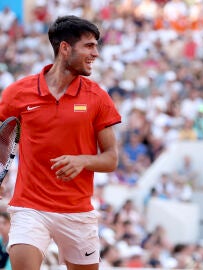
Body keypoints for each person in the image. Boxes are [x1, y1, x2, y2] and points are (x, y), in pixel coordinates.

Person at [0, 15, 121, 270]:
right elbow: (3, 136)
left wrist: (83, 160)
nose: (95, 53)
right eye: (89, 46)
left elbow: (111, 159)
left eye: (96, 46)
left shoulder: (98, 97)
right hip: (29, 207)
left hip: (77, 211)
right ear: (65, 48)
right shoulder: (17, 93)